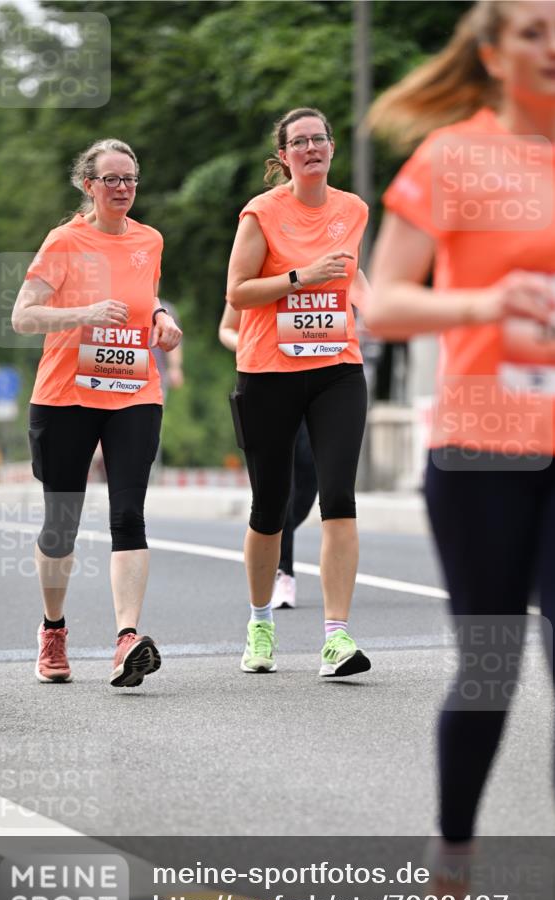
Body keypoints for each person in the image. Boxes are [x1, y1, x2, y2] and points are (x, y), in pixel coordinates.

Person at [365, 0, 555, 900]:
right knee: (487, 669)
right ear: (491, 52)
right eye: (533, 30)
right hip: (487, 438)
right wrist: (483, 300)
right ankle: (454, 863)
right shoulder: (452, 158)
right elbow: (380, 302)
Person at [11, 138, 182, 688]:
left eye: (130, 179)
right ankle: (53, 629)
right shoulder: (65, 242)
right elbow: (22, 317)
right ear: (89, 185)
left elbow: (144, 296)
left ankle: (127, 639)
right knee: (61, 524)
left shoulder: (149, 240)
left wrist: (161, 318)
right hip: (65, 396)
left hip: (133, 391)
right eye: (111, 179)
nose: (123, 189)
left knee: (129, 513)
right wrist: (84, 311)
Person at [226, 106, 371, 678]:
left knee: (339, 495)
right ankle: (260, 623)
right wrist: (300, 278)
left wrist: (380, 307)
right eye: (299, 142)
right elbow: (237, 293)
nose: (311, 148)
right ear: (282, 156)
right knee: (271, 507)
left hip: (337, 366)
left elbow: (353, 277)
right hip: (268, 371)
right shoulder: (262, 212)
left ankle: (336, 637)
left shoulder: (354, 209)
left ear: (332, 149)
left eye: (320, 139)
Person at [219, 302, 318, 609]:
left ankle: (272, 539)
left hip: (315, 385)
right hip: (268, 384)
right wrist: (251, 344)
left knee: (308, 476)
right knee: (278, 489)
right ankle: (283, 572)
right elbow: (227, 329)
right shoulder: (252, 275)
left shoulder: (322, 268)